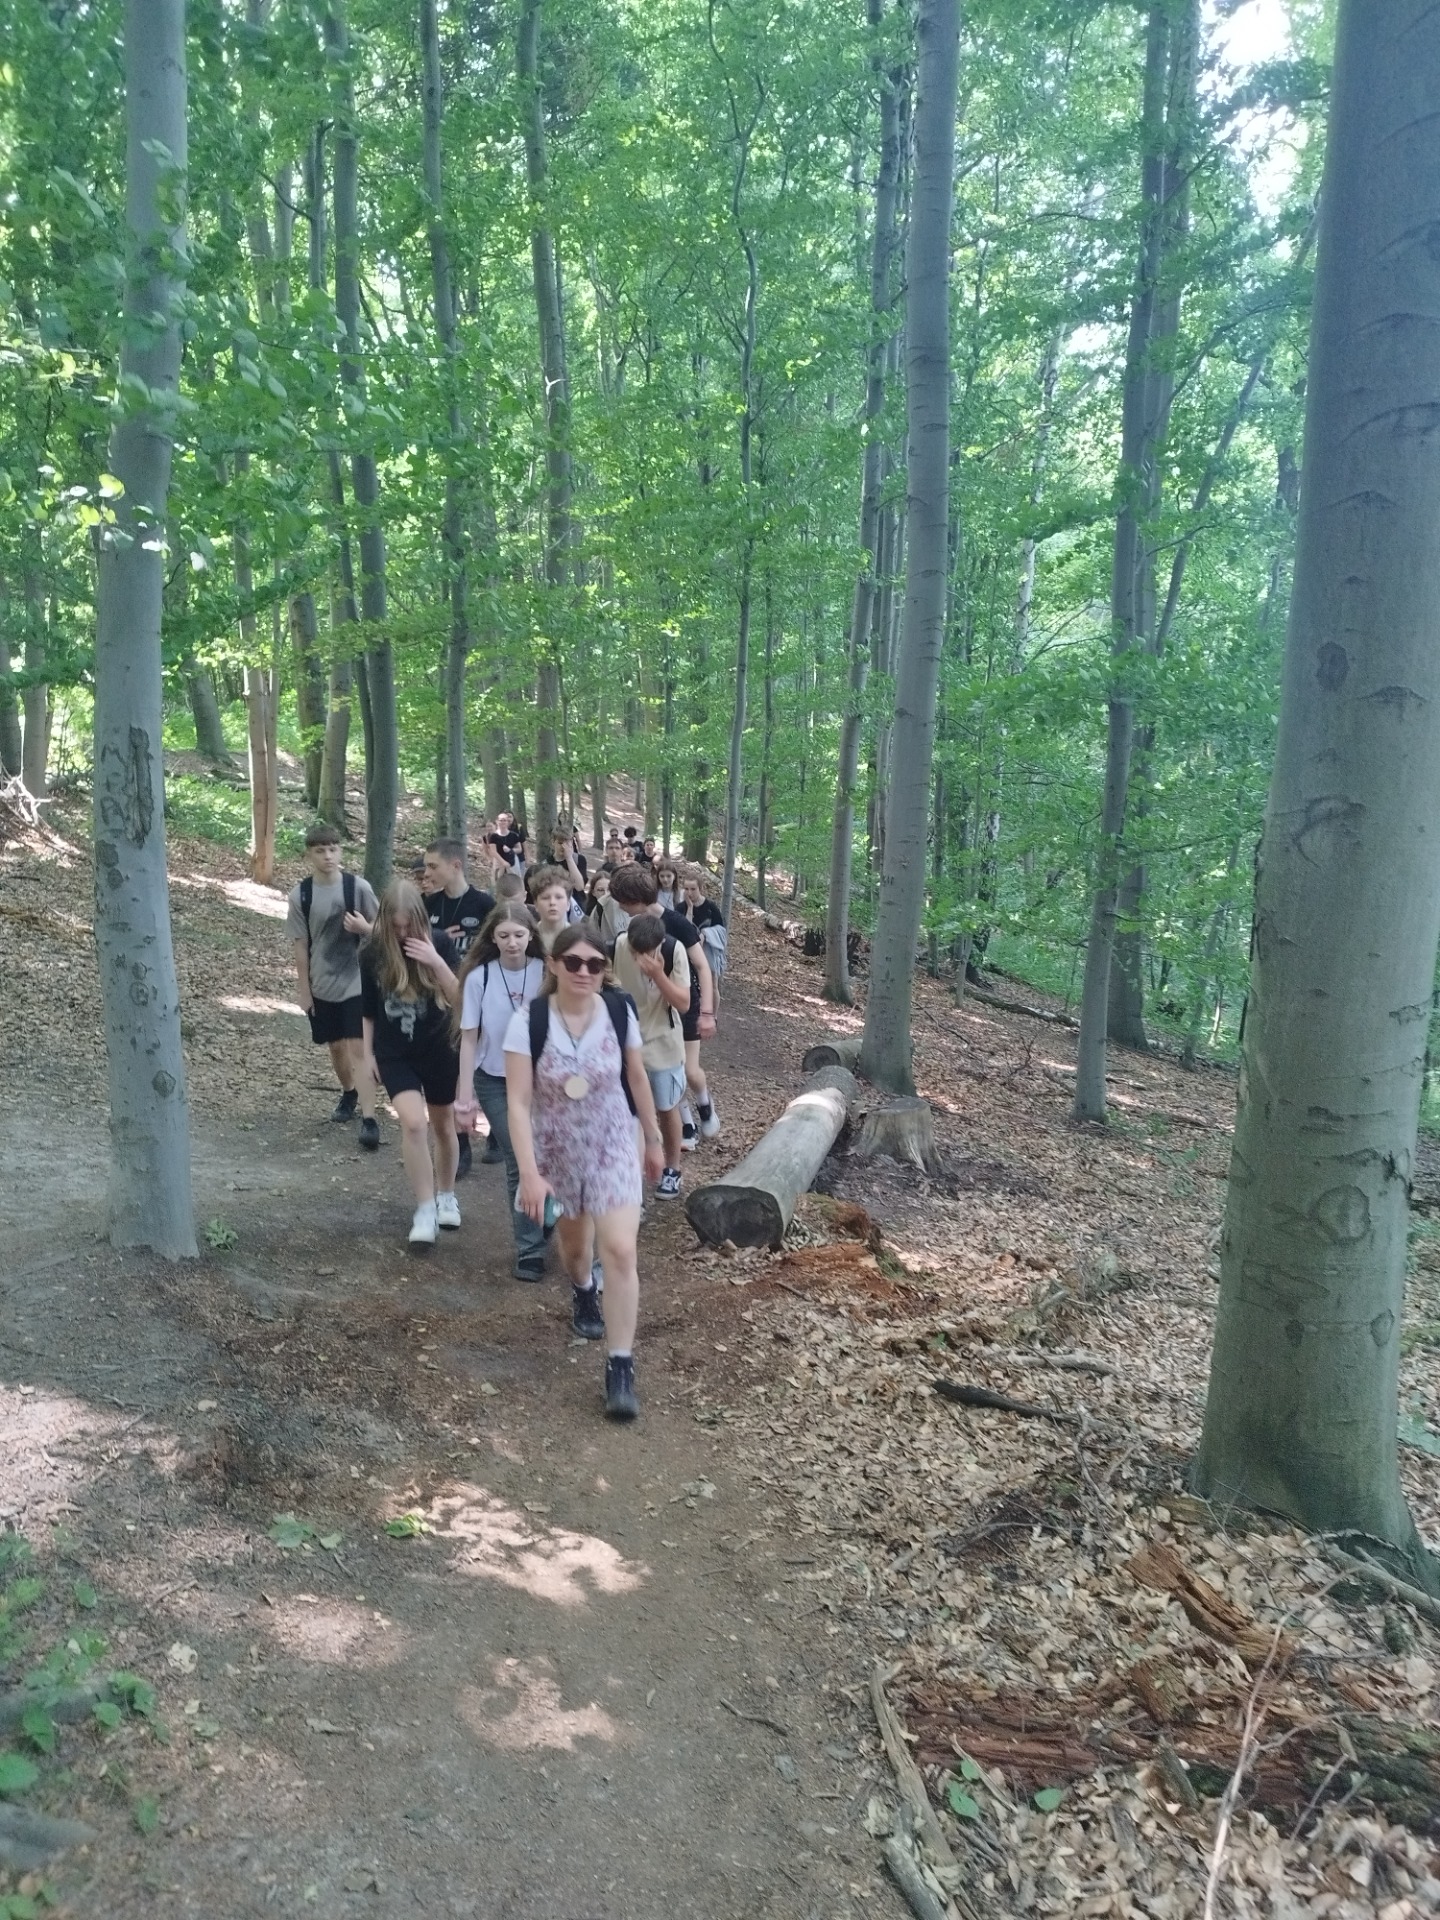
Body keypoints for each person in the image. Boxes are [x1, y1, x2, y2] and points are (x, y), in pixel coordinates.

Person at [506, 925, 663, 1419]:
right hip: (557, 1154)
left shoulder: (618, 1012)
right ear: (554, 964)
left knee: (619, 1250)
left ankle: (620, 1365)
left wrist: (654, 1139)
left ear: (604, 970)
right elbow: (518, 1103)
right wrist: (529, 1174)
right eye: (572, 962)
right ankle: (583, 1291)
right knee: (577, 1252)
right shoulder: (528, 1022)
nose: (583, 972)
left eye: (594, 964)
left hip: (613, 1144)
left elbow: (636, 1077)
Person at [359, 878, 462, 1246]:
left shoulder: (442, 943)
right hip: (394, 1051)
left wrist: (434, 960)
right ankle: (424, 1208)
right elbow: (368, 1010)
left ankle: (446, 1195)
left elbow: (460, 998)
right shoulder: (372, 952)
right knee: (414, 1124)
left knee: (443, 1126)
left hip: (439, 1047)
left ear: (420, 920)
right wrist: (368, 1054)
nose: (403, 934)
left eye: (408, 927)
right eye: (396, 927)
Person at [454, 905, 549, 1281]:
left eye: (519, 935)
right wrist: (465, 1099)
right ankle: (530, 1249)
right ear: (492, 937)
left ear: (531, 936)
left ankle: (547, 1213)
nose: (512, 943)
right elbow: (469, 1039)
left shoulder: (546, 972)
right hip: (493, 1078)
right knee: (518, 1158)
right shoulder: (479, 977)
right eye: (504, 935)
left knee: (547, 1155)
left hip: (541, 1079)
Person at [610, 862, 719, 1152]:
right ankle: (687, 1125)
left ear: (636, 900)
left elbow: (702, 967)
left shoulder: (677, 924)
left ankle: (704, 1103)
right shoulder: (630, 930)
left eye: (623, 901)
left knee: (690, 1071)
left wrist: (707, 1013)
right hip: (652, 1011)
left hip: (685, 1003)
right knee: (666, 1072)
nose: (620, 907)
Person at [287, 825, 381, 1150]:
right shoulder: (301, 895)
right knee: (336, 1046)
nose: (328, 856)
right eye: (320, 850)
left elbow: (384, 930)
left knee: (358, 1047)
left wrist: (364, 927)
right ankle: (349, 1093)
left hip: (358, 980)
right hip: (322, 981)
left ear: (340, 851)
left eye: (333, 849)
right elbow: (301, 945)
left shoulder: (359, 888)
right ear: (308, 855)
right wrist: (304, 990)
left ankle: (369, 1118)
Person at [421, 839, 497, 1178]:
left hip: (482, 996)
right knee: (453, 1070)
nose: (427, 873)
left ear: (455, 866)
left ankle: (497, 1133)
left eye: (433, 866)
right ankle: (461, 1145)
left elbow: (498, 946)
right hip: (442, 1000)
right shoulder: (428, 904)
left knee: (490, 1065)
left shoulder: (484, 904)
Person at [611, 902, 691, 1200]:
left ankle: (672, 1169)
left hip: (663, 1045)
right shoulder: (618, 945)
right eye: (635, 952)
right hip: (625, 1044)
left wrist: (658, 975)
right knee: (628, 1113)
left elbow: (683, 1003)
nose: (640, 958)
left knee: (666, 1108)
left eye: (646, 952)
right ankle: (632, 1184)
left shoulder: (674, 950)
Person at [529, 863, 585, 952]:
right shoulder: (528, 938)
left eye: (559, 897)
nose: (552, 902)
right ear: (536, 904)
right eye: (545, 898)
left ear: (568, 904)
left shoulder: (578, 940)